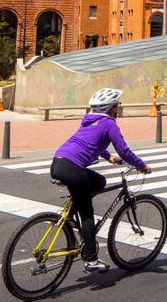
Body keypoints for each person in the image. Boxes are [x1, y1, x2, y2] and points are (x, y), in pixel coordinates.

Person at [51, 88, 150, 274]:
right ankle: (90, 259)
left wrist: (107, 156)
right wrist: (141, 165)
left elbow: (90, 142)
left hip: (58, 162)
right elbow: (124, 151)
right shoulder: (109, 123)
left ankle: (72, 217)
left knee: (99, 181)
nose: (118, 108)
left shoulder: (89, 119)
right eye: (117, 105)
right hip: (73, 169)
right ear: (111, 108)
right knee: (87, 214)